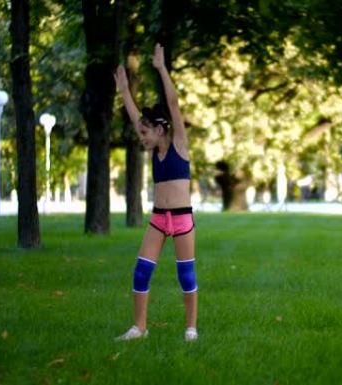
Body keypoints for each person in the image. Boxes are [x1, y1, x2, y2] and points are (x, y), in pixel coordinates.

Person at [114, 43, 198, 342]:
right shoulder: (154, 148)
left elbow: (173, 105)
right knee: (141, 272)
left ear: (160, 130)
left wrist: (162, 68)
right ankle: (139, 328)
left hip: (182, 219)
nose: (142, 137)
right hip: (158, 219)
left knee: (186, 276)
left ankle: (191, 328)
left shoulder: (179, 145)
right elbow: (136, 115)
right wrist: (124, 91)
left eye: (145, 133)